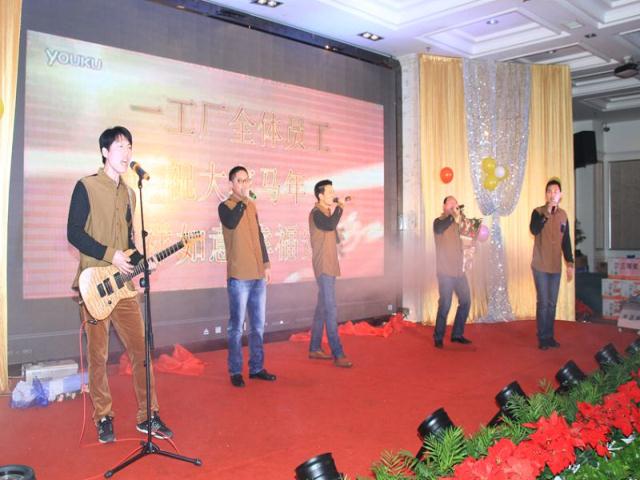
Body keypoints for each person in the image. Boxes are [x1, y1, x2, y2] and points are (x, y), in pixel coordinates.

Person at [67, 126, 172, 444]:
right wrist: (108, 254)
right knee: (98, 357)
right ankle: (103, 416)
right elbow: (74, 233)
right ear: (104, 152)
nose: (126, 153)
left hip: (123, 287)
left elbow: (127, 243)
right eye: (120, 147)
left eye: (129, 147)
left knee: (141, 351)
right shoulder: (86, 186)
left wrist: (142, 260)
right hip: (94, 285)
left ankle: (148, 415)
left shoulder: (129, 193)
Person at [218, 166, 276, 387]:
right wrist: (243, 200)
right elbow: (231, 222)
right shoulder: (226, 207)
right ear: (231, 184)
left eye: (246, 180)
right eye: (239, 181)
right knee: (236, 328)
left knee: (258, 326)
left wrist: (266, 264)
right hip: (239, 276)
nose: (244, 184)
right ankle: (235, 370)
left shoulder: (252, 206)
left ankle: (256, 367)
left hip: (258, 275)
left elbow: (259, 236)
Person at [307, 180, 353, 368]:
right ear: (320, 196)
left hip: (330, 264)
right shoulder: (316, 213)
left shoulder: (326, 212)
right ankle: (338, 353)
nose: (333, 194)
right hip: (324, 266)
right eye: (330, 192)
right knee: (331, 309)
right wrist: (340, 208)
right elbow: (330, 224)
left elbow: (334, 234)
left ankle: (314, 347)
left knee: (322, 308)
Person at [530, 178, 574, 350]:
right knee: (543, 302)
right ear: (546, 195)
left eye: (555, 191)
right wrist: (547, 213)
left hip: (555, 266)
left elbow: (566, 241)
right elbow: (534, 229)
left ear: (560, 195)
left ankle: (549, 336)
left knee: (552, 303)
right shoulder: (538, 212)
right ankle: (542, 337)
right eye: (549, 191)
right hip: (540, 265)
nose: (552, 194)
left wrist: (570, 263)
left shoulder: (563, 215)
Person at [432, 196, 472, 349]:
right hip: (445, 272)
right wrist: (453, 216)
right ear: (444, 206)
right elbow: (439, 229)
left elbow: (471, 238)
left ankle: (457, 334)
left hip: (459, 271)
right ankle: (438, 336)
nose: (454, 205)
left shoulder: (460, 222)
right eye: (450, 203)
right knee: (445, 304)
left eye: (456, 203)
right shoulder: (439, 222)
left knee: (466, 301)